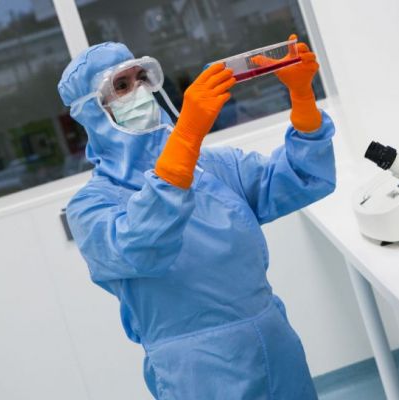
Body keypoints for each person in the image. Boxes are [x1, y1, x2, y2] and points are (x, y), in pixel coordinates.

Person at [58, 34, 334, 399]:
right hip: (197, 372)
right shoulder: (92, 207)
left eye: (141, 78)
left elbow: (302, 178)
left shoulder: (214, 166)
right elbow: (143, 245)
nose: (138, 91)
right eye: (121, 86)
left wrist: (302, 98)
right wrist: (186, 135)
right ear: (91, 109)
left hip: (274, 343)